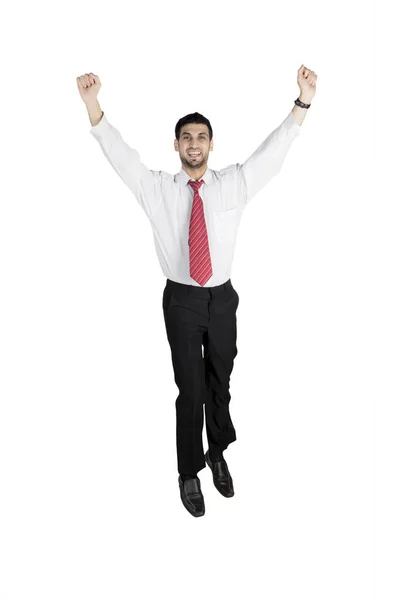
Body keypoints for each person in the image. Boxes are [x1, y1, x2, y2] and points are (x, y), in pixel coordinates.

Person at [76, 64, 317, 517]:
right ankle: (189, 471)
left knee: (219, 382)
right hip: (182, 300)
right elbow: (120, 155)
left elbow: (274, 151)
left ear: (210, 144)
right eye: (186, 137)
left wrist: (301, 102)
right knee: (190, 388)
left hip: (223, 298)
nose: (193, 144)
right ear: (176, 145)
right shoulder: (157, 190)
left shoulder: (233, 184)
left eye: (201, 136)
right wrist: (93, 105)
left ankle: (217, 452)